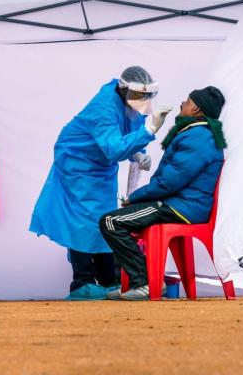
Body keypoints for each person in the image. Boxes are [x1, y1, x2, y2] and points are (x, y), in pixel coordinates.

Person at [30, 66, 173, 300]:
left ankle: (108, 280)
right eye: (138, 96)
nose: (143, 102)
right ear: (123, 89)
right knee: (83, 220)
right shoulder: (104, 106)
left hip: (102, 165)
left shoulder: (129, 101)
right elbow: (114, 146)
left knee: (105, 218)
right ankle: (82, 282)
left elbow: (126, 132)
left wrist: (137, 152)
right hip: (77, 162)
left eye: (146, 96)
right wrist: (148, 131)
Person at [100, 86, 226, 301]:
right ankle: (139, 281)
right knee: (120, 219)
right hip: (180, 204)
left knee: (111, 221)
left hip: (180, 207)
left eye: (187, 101)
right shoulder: (197, 134)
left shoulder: (198, 137)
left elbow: (170, 182)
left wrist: (134, 197)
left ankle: (145, 282)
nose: (181, 104)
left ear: (197, 110)